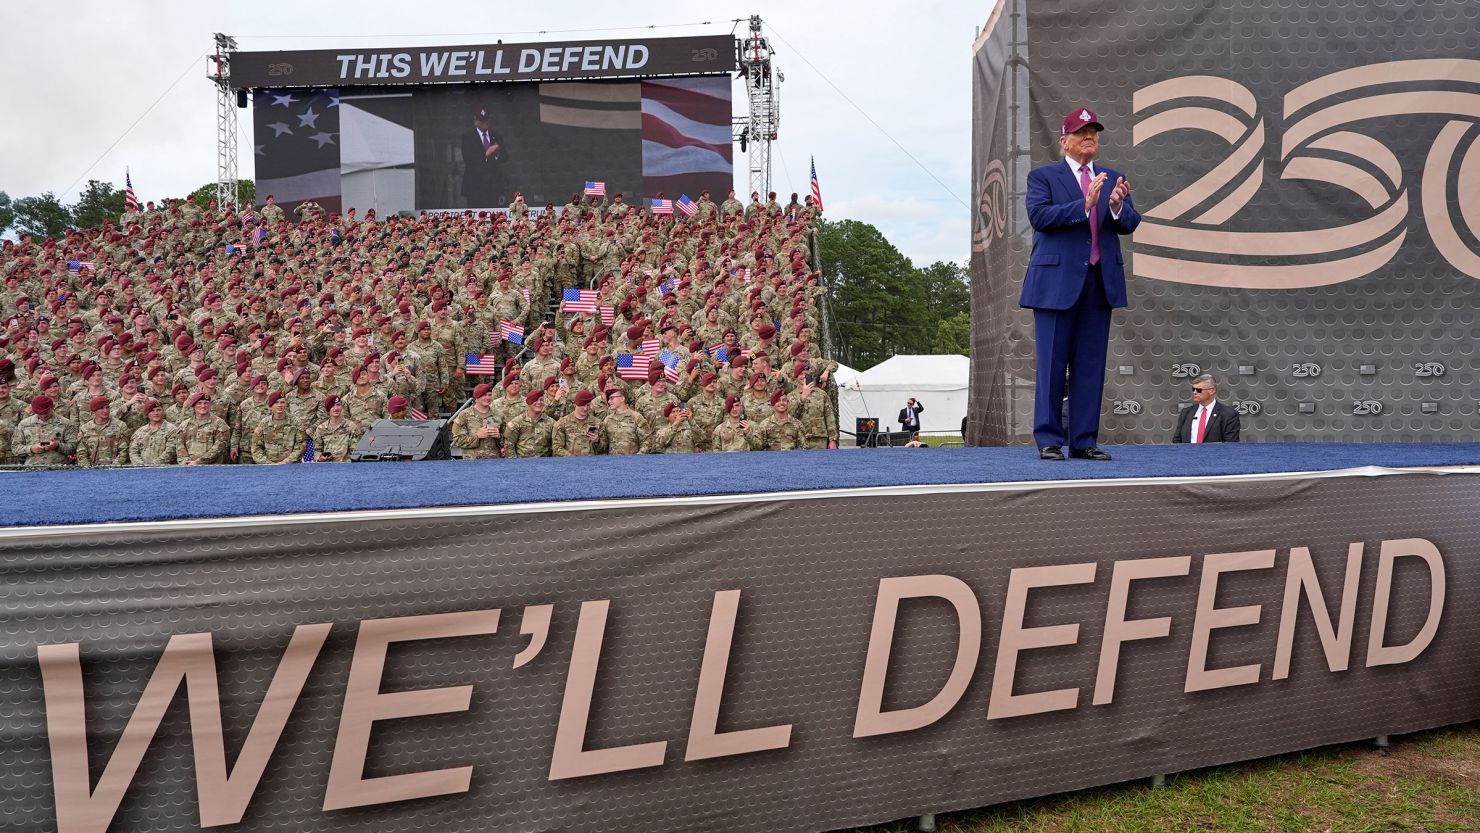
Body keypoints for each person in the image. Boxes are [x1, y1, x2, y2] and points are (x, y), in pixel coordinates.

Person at [1021, 107, 1140, 461]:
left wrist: (1117, 207)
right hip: (1055, 285)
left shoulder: (1112, 176)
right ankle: (1049, 440)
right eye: (1082, 132)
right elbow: (1039, 217)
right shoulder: (1043, 177)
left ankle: (1084, 441)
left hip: (1099, 281)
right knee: (1052, 364)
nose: (1090, 137)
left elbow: (1130, 222)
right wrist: (1083, 205)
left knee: (1090, 366)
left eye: (1094, 132)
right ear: (1064, 141)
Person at [1172, 374, 1241, 443]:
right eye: (1193, 389)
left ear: (1211, 391)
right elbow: (1177, 441)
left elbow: (1230, 445)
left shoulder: (1228, 414)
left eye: (1198, 390)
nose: (1194, 392)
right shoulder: (1186, 412)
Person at [460, 107, 507, 208]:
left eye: (486, 120)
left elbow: (505, 157)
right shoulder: (468, 137)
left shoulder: (496, 136)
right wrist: (487, 153)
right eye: (481, 120)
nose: (484, 123)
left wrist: (497, 153)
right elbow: (468, 159)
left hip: (493, 186)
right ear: (475, 121)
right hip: (475, 186)